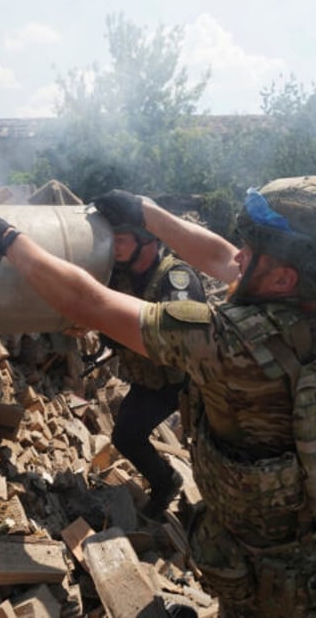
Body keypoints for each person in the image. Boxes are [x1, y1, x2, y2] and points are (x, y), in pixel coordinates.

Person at [0, 176, 316, 617]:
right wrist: (146, 210)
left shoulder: (230, 345)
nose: (239, 255)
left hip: (280, 584)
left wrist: (8, 240)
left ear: (283, 279)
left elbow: (89, 303)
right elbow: (222, 257)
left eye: (252, 251)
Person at [99, 194, 206, 520]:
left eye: (121, 240)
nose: (113, 247)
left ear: (147, 241)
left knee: (209, 447)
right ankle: (166, 482)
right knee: (125, 436)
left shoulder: (177, 280)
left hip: (188, 383)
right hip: (151, 381)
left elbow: (184, 344)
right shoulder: (119, 274)